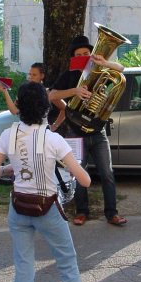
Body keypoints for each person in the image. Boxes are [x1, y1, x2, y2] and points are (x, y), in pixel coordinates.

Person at [0, 82, 102, 282]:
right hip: (47, 207)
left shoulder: (8, 134)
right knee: (68, 265)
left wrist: (8, 168)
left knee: (23, 269)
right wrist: (71, 164)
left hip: (19, 208)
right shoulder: (53, 139)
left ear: (20, 107)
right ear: (45, 107)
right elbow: (85, 181)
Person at [49, 35, 127, 226]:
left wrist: (104, 62)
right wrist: (74, 92)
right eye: (79, 54)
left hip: (97, 131)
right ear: (73, 57)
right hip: (76, 132)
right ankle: (81, 211)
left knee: (107, 173)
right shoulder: (68, 75)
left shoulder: (101, 71)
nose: (83, 56)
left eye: (86, 53)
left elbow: (122, 71)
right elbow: (52, 95)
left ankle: (112, 213)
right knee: (78, 172)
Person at [3, 62, 66, 131]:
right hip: (24, 131)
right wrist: (5, 91)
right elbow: (14, 111)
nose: (31, 77)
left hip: (42, 133)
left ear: (42, 76)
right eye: (30, 74)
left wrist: (55, 125)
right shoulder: (24, 92)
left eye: (34, 75)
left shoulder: (48, 93)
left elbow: (65, 109)